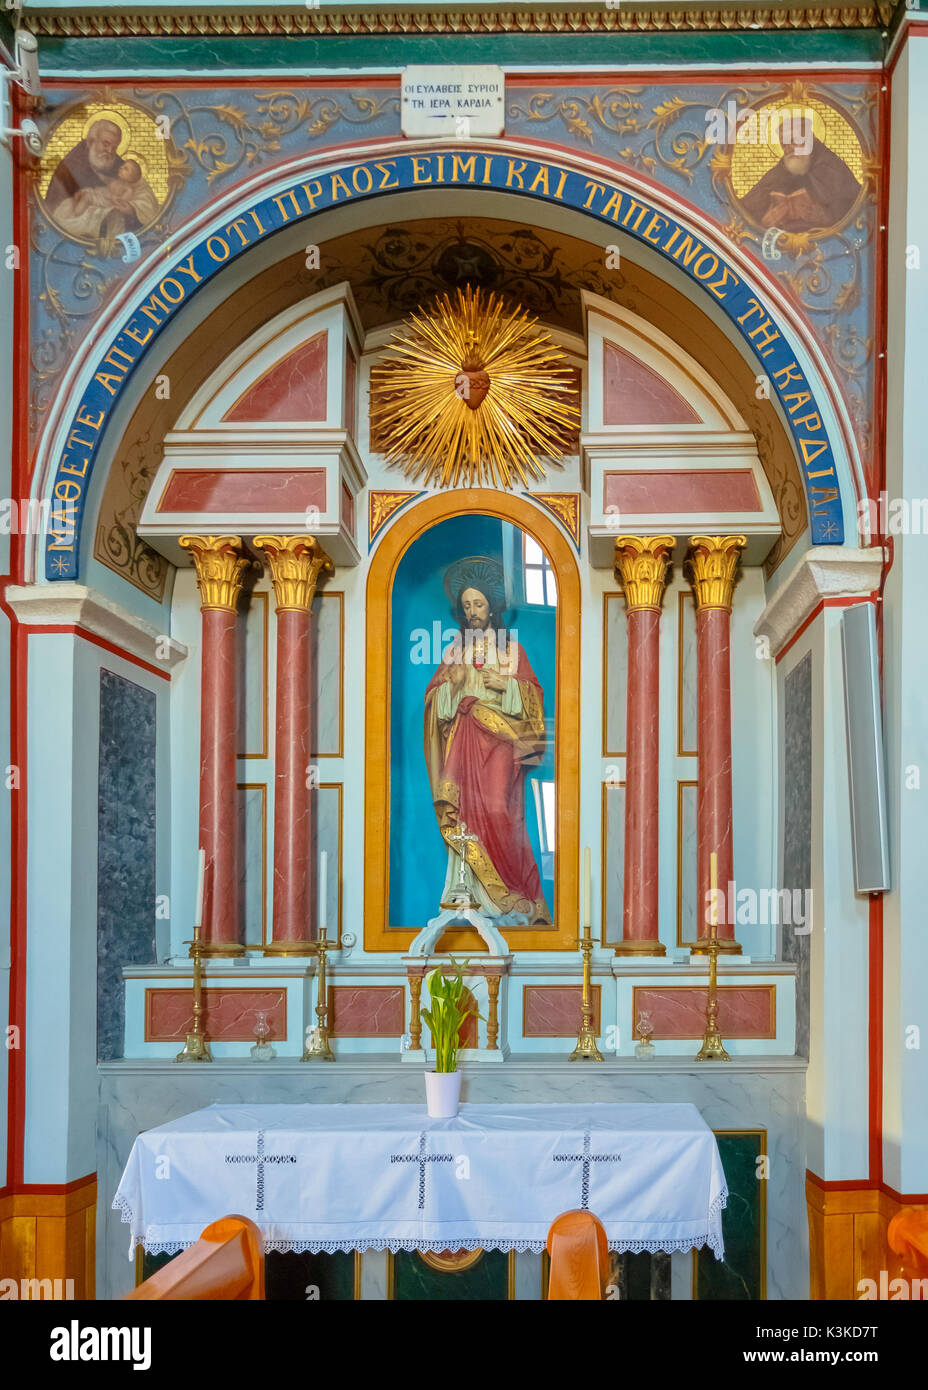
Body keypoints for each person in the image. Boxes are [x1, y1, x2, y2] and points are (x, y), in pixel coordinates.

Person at [423, 557, 552, 925]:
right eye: (466, 605)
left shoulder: (512, 651)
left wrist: (506, 686)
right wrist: (454, 686)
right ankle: (470, 895)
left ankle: (510, 895)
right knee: (463, 813)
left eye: (478, 604)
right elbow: (435, 706)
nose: (472, 611)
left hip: (499, 743)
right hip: (464, 742)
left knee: (499, 812)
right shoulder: (455, 651)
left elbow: (534, 700)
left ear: (492, 607)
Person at [740, 121, 861, 233]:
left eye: (794, 140)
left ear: (810, 139)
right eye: (784, 144)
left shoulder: (832, 166)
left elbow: (856, 209)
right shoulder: (780, 169)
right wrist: (763, 222)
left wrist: (827, 217)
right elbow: (745, 211)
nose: (789, 149)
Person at [52, 159, 159, 241]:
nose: (121, 168)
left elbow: (122, 201)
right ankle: (74, 212)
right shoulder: (115, 181)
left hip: (106, 201)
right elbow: (105, 179)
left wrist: (113, 198)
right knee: (84, 193)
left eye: (126, 169)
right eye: (122, 166)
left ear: (132, 177)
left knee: (88, 197)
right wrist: (96, 171)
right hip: (101, 194)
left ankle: (76, 215)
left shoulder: (128, 189)